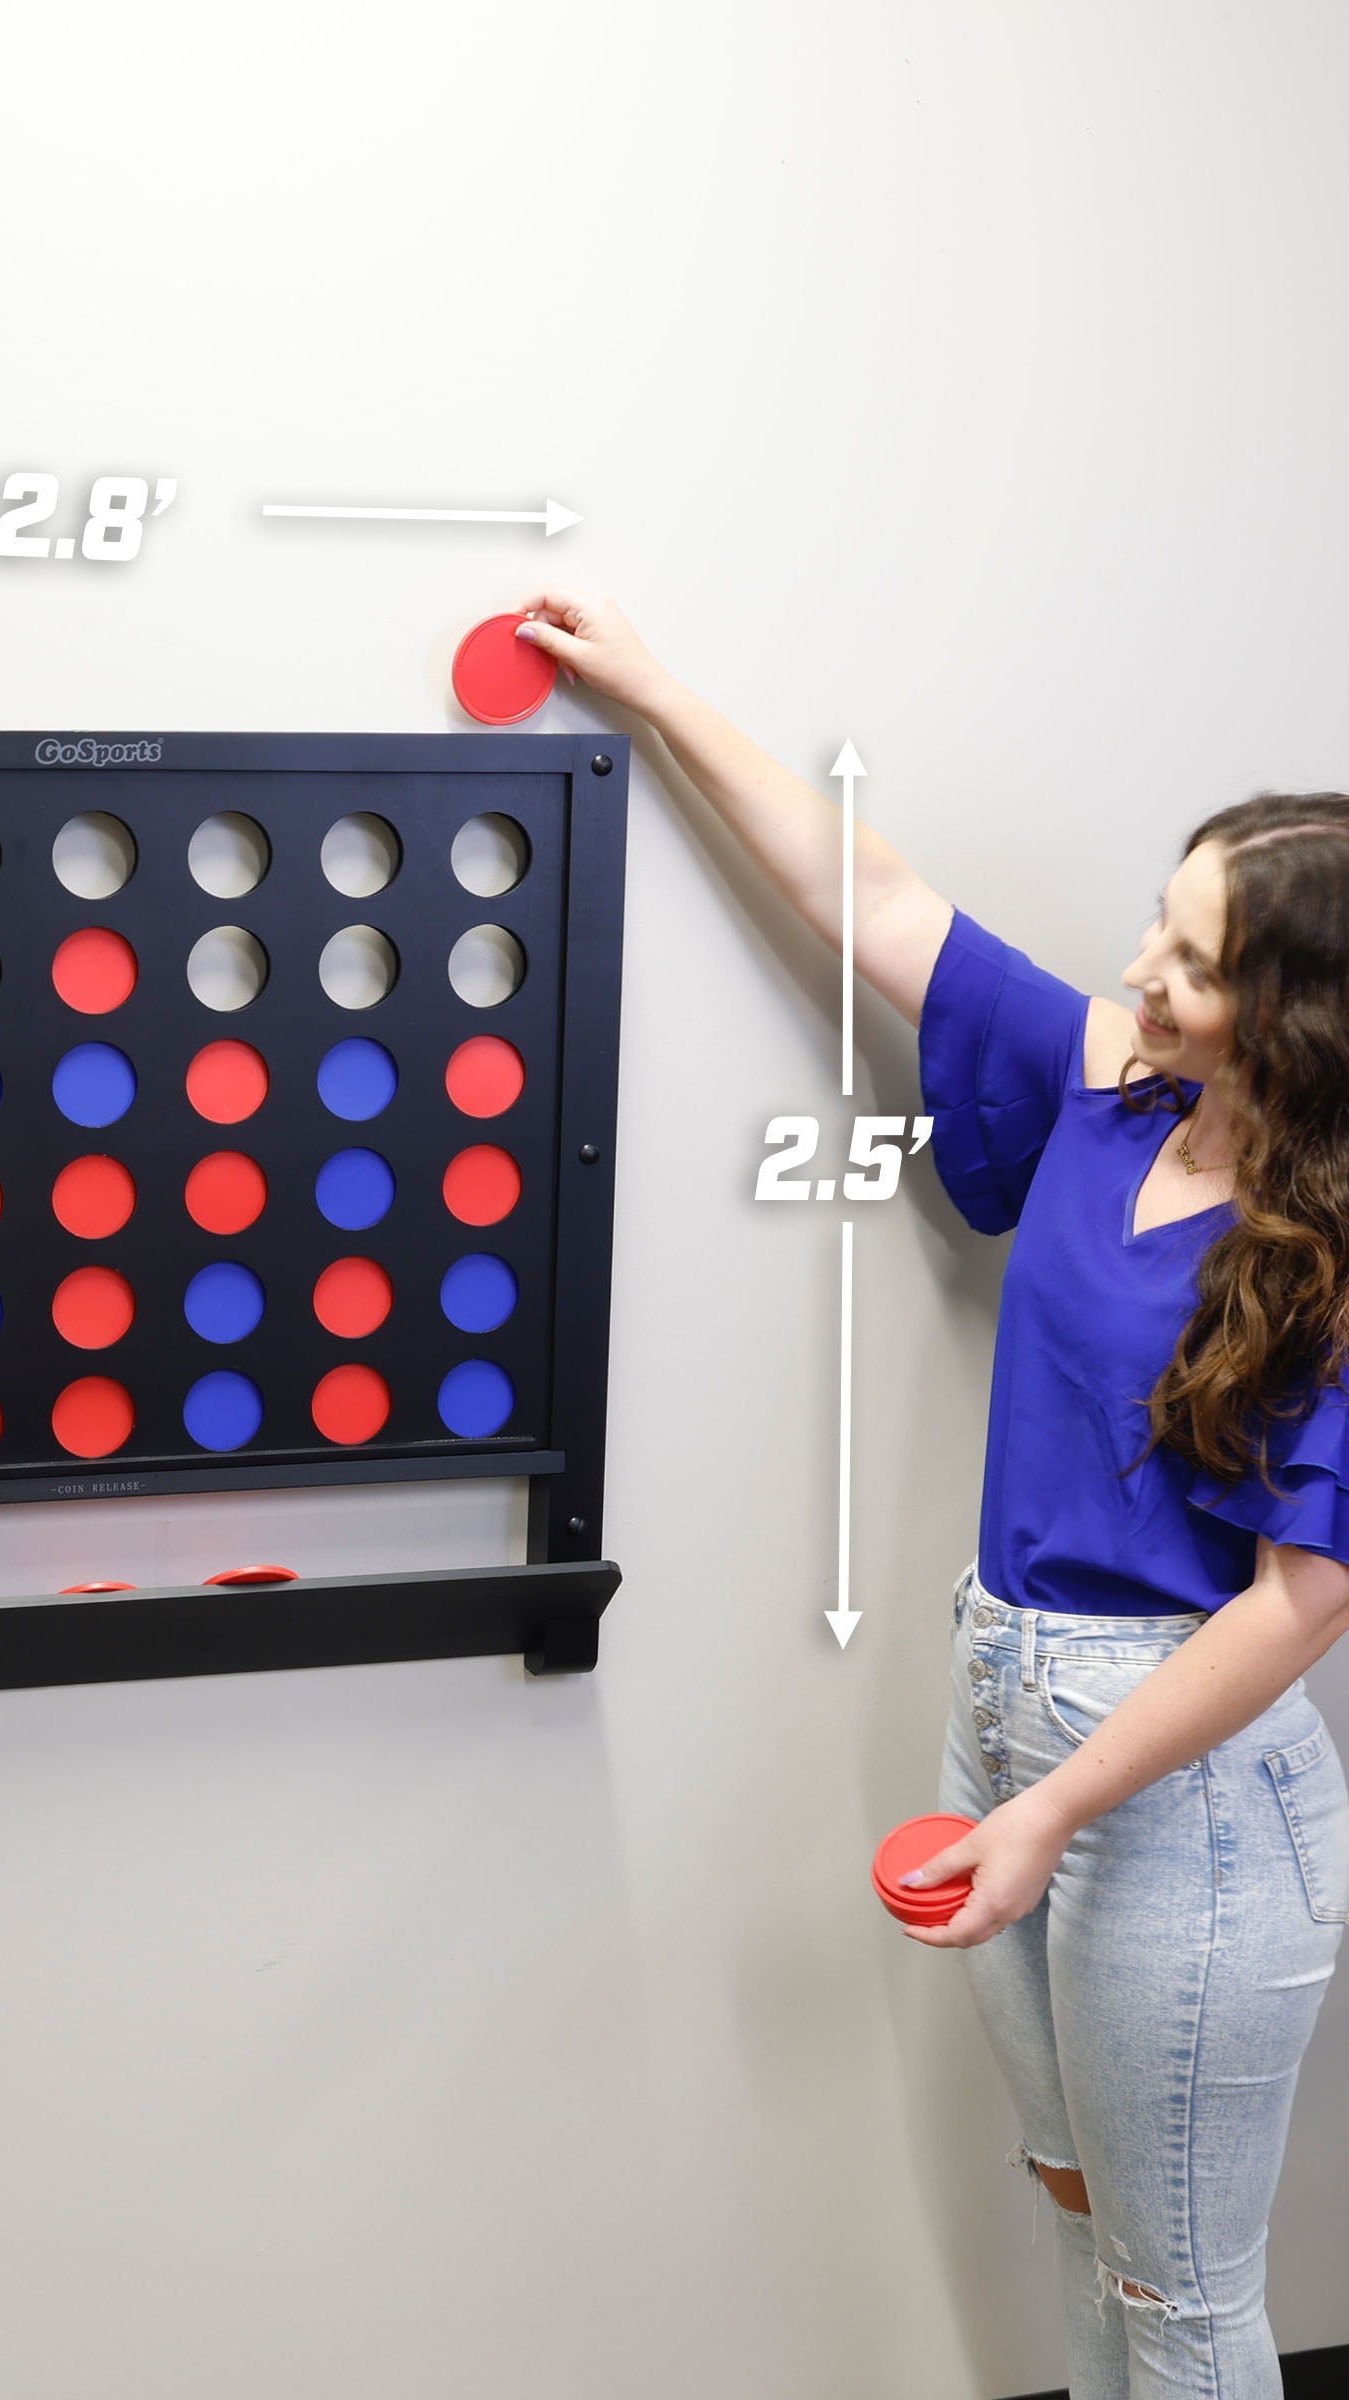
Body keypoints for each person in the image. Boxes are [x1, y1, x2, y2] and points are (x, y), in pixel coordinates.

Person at [516, 589, 1349, 2400]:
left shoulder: (1335, 1251)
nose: (1142, 968)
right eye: (1160, 917)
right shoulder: (1117, 1089)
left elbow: (1303, 1603)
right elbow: (877, 902)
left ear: (1295, 1018)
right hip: (1007, 1704)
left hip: (1184, 1785)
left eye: (1195, 961)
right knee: (1076, 2210)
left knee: (1184, 2296)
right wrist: (652, 689)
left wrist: (1054, 1817)